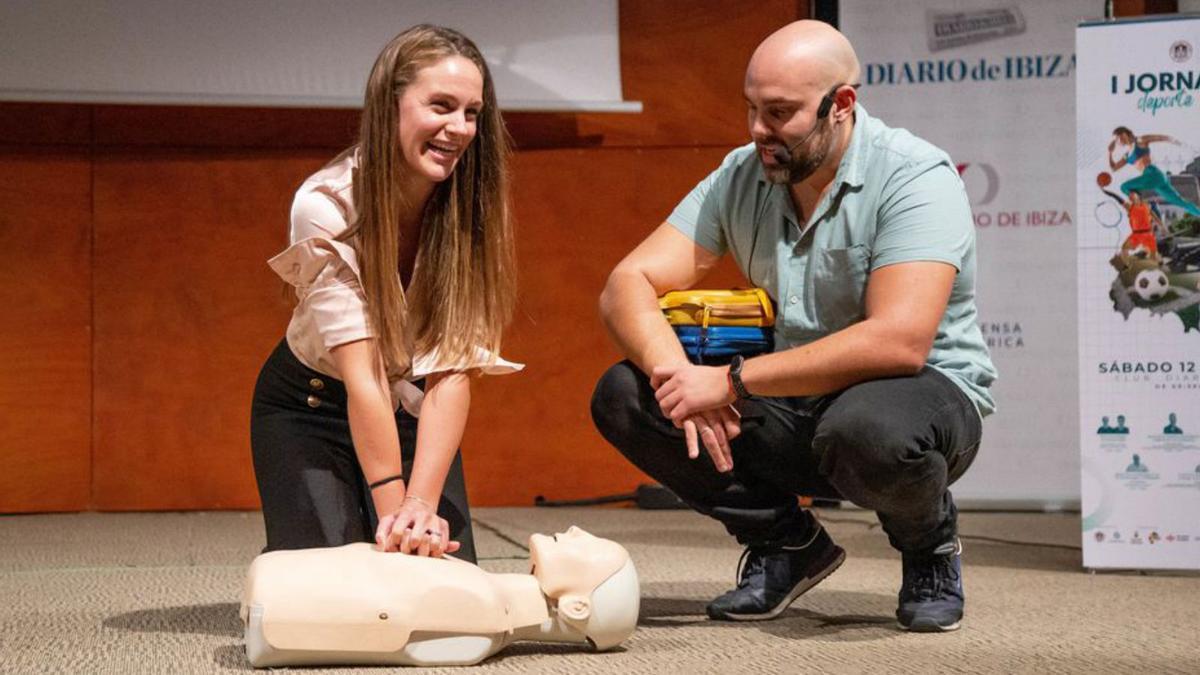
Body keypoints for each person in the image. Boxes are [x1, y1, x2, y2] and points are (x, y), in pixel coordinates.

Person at [591, 21, 996, 633]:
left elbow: (899, 341)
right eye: (752, 109)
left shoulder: (915, 176)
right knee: (629, 396)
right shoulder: (743, 174)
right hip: (794, 401)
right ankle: (787, 545)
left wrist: (728, 383)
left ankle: (928, 542)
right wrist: (677, 376)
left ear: (841, 105)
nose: (758, 130)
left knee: (867, 430)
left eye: (779, 113)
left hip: (919, 403)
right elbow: (627, 284)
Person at [250, 25, 519, 564]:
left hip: (411, 411)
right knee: (340, 597)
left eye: (472, 113)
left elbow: (452, 369)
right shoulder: (325, 204)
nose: (459, 128)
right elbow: (365, 376)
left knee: (443, 597)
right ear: (390, 104)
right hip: (311, 406)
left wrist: (420, 503)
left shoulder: (473, 205)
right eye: (440, 106)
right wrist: (397, 525)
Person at [241, 527, 639, 667]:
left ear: (577, 607)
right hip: (276, 590)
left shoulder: (484, 612)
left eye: (589, 547)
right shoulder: (483, 599)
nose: (575, 530)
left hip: (276, 603)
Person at [1107, 127, 1200, 217]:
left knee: (1124, 187)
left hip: (1152, 173)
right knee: (1181, 202)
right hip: (1157, 180)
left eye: (1118, 138)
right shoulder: (1126, 155)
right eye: (1116, 140)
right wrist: (1110, 152)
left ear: (1124, 134)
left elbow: (1161, 137)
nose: (1118, 141)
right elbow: (1113, 168)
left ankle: (1140, 208)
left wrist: (1180, 143)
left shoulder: (1140, 141)